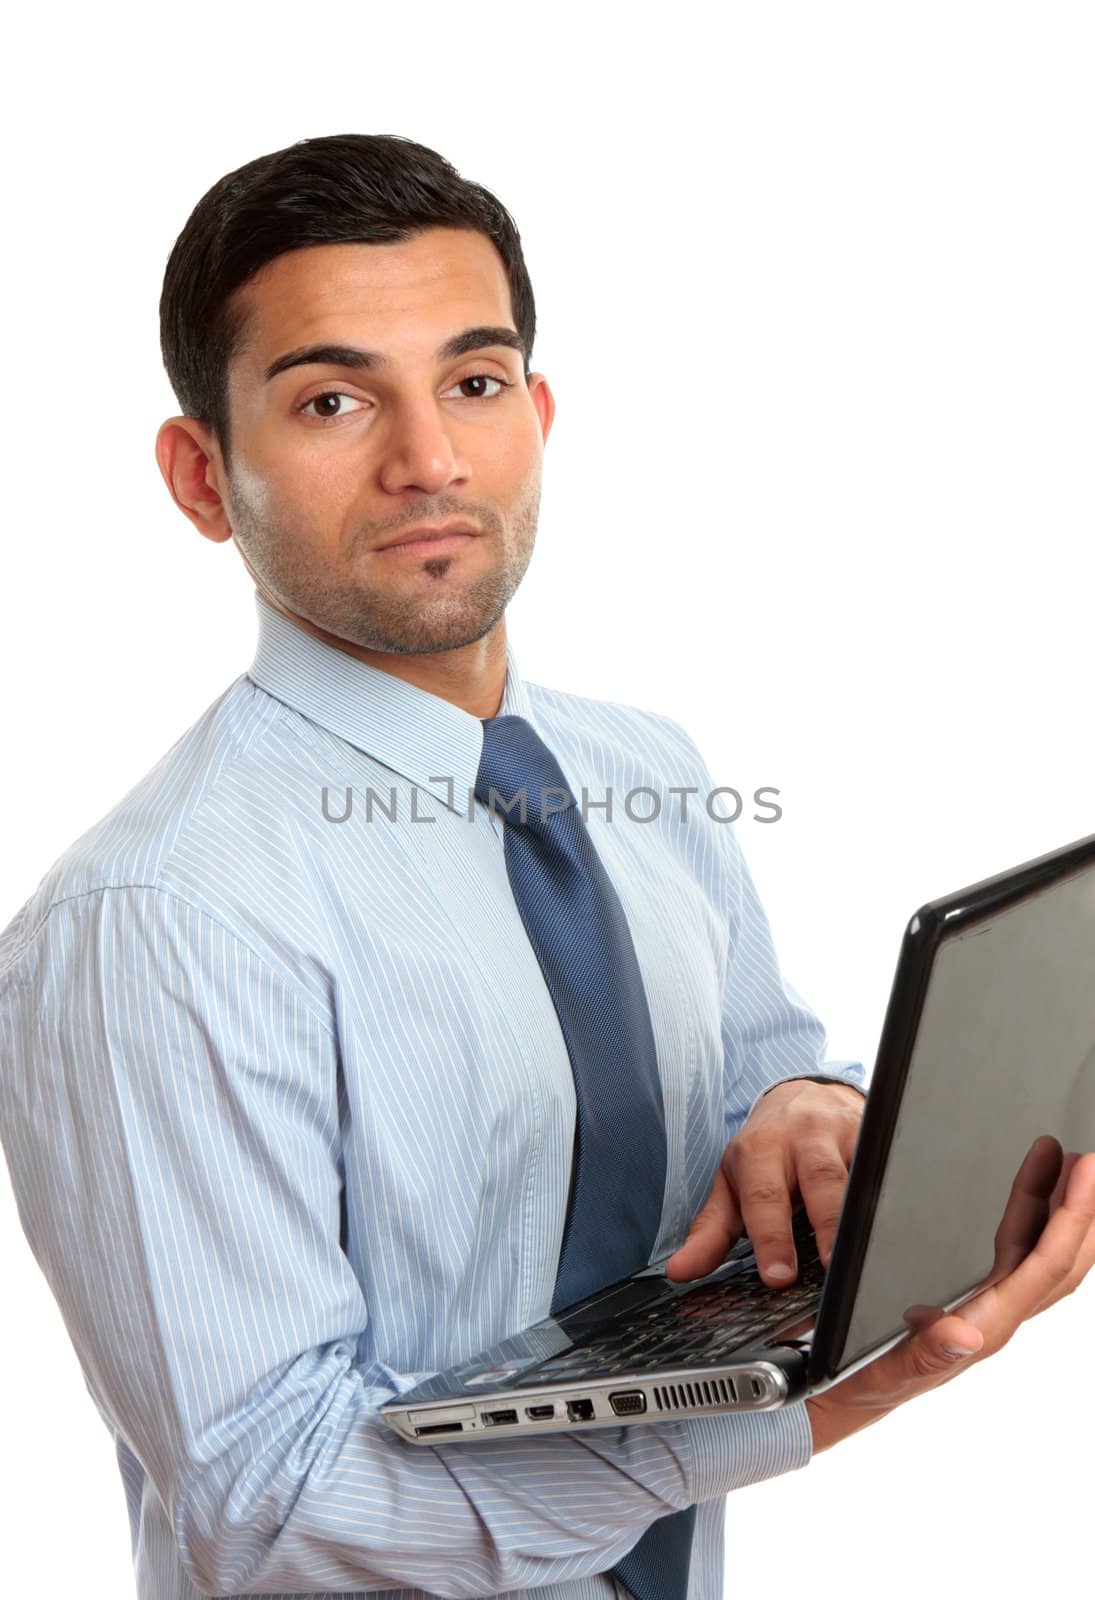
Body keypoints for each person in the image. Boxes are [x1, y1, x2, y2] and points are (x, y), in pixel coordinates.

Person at [0, 132, 1092, 1600]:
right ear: (204, 476)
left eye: (474, 381)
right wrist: (840, 1401)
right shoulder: (158, 919)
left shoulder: (646, 768)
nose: (429, 459)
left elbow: (756, 1088)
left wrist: (814, 1118)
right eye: (333, 398)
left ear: (539, 411)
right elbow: (267, 1510)